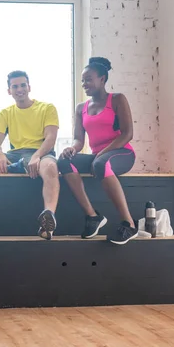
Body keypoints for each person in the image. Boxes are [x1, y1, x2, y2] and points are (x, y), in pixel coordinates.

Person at [57, 57, 138, 245]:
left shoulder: (117, 99)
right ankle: (92, 216)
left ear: (102, 79)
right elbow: (79, 140)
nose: (85, 84)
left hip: (122, 153)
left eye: (89, 79)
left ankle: (129, 223)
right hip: (98, 158)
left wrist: (102, 154)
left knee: (101, 163)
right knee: (62, 161)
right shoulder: (81, 108)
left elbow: (127, 134)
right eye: (83, 80)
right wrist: (72, 148)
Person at [0, 70, 60, 239]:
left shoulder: (47, 108)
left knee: (51, 166)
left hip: (41, 153)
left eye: (23, 85)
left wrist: (37, 156)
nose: (19, 89)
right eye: (15, 86)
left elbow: (51, 138)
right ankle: (13, 167)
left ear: (29, 87)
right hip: (14, 156)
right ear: (9, 91)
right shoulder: (5, 113)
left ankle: (48, 218)